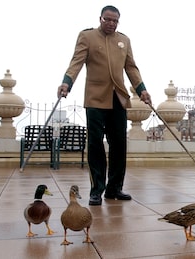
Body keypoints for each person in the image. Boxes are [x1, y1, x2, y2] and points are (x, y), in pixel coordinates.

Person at [57, 5, 152, 206]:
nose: (111, 23)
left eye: (115, 20)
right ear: (100, 18)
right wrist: (67, 82)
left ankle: (114, 188)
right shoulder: (87, 36)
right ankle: (96, 189)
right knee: (95, 144)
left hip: (118, 98)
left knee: (119, 144)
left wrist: (142, 89)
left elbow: (131, 67)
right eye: (107, 19)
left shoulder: (124, 40)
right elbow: (76, 62)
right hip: (95, 99)